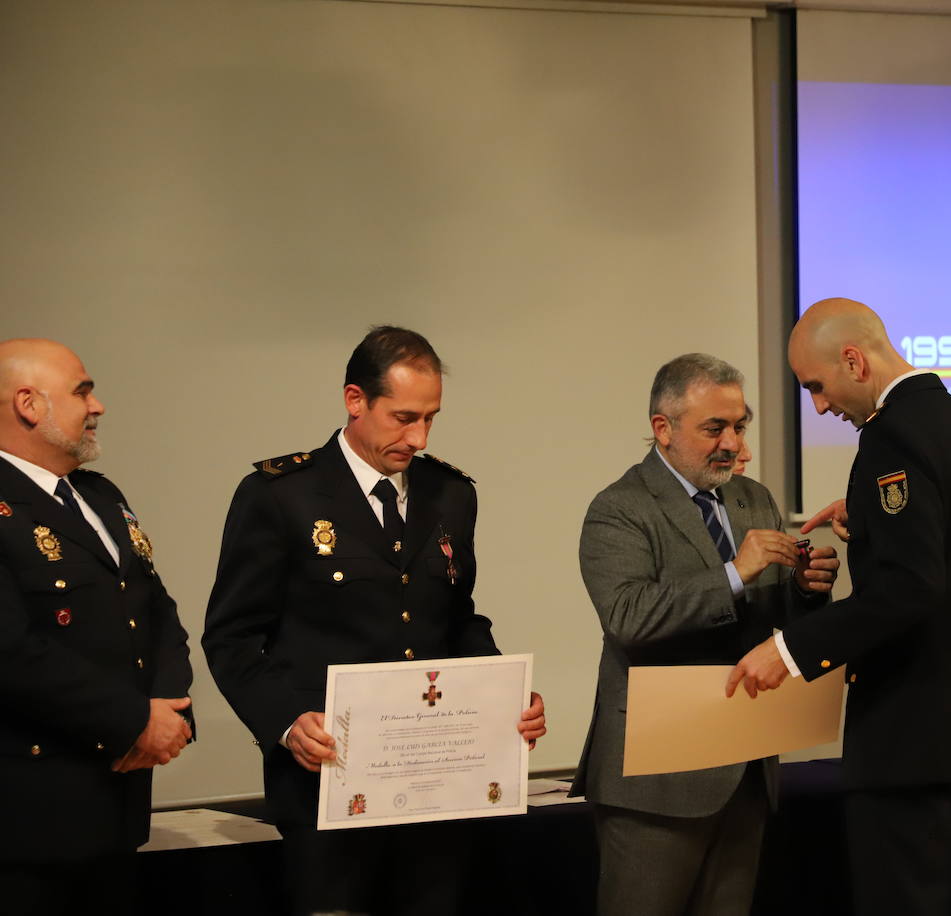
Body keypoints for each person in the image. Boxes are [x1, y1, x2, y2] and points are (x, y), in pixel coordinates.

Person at [202, 326, 546, 916]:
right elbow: (231, 637)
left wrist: (502, 692)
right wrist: (285, 723)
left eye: (431, 419)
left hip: (438, 784)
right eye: (403, 417)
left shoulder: (450, 493)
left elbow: (456, 617)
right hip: (329, 781)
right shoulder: (281, 495)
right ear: (355, 400)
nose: (417, 437)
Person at [729, 298, 951, 915]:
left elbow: (911, 588)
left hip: (906, 739)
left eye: (818, 387)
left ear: (853, 360)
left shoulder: (892, 439)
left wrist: (790, 649)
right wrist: (877, 529)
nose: (822, 406)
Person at [573, 353, 837, 916]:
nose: (732, 442)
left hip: (743, 763)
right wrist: (734, 574)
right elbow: (629, 617)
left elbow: (769, 622)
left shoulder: (753, 498)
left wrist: (807, 592)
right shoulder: (619, 508)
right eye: (713, 428)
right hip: (655, 778)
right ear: (662, 430)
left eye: (739, 425)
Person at [0, 338, 194, 916]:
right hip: (29, 821)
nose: (98, 405)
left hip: (115, 802)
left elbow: (155, 608)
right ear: (29, 404)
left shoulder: (99, 495)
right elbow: (11, 652)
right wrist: (135, 721)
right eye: (83, 390)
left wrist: (167, 707)